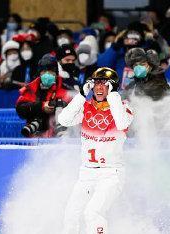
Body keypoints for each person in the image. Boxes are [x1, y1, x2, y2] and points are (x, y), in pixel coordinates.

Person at [58, 67, 133, 234]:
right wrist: (81, 97)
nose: (99, 88)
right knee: (71, 214)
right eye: (96, 83)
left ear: (112, 87)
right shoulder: (86, 107)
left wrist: (113, 96)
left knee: (93, 213)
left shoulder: (124, 108)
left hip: (111, 174)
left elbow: (122, 124)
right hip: (86, 173)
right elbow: (63, 119)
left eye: (104, 84)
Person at [16, 54, 71, 137]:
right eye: (44, 71)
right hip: (36, 138)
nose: (47, 74)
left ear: (56, 74)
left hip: (61, 139)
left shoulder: (66, 89)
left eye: (51, 71)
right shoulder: (31, 88)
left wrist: (58, 107)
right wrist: (41, 107)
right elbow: (20, 109)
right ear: (40, 73)